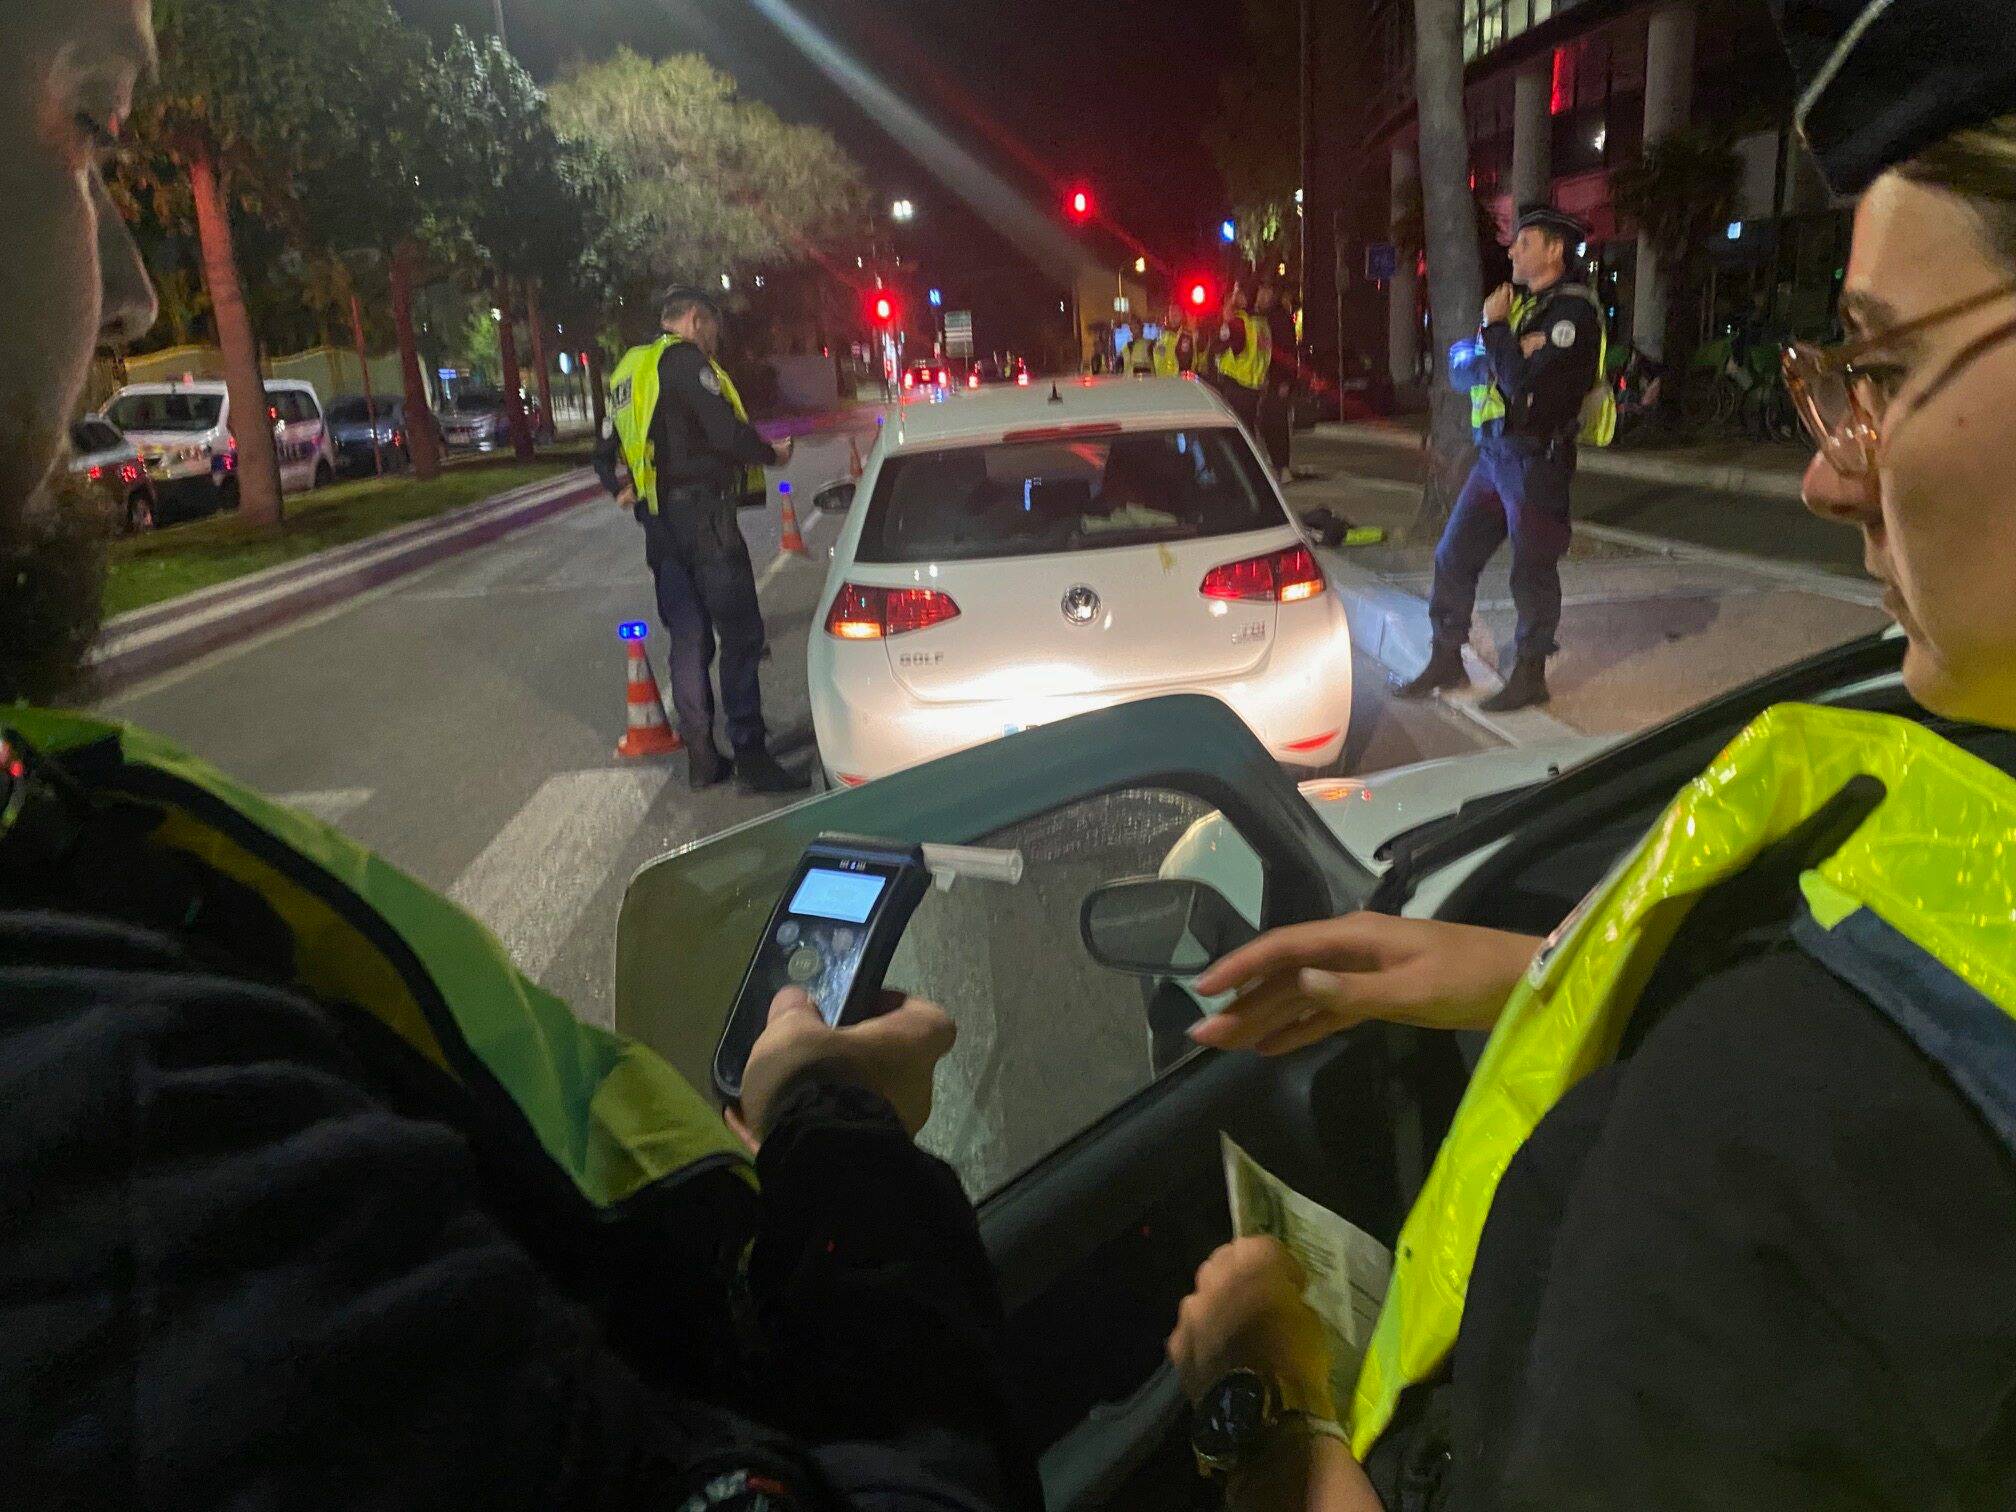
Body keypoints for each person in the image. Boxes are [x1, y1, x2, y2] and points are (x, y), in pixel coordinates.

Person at [0, 6, 1038, 1509]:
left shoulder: (63, 846)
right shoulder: (119, 1131)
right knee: (726, 655)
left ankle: (715, 735)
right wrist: (841, 1148)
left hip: (654, 532)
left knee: (693, 653)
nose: (132, 294)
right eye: (93, 124)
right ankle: (735, 753)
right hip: (697, 542)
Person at [1165, 5, 2016, 1504]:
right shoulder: (1947, 767)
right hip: (1500, 464)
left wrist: (1280, 1404)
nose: (1828, 471)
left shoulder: (1777, 1139)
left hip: (1537, 465)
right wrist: (1528, 974)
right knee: (1461, 583)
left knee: (1528, 584)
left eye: (1879, 363)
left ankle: (1530, 655)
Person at [596, 289, 806, 794]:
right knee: (741, 637)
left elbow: (603, 450)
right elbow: (726, 433)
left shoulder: (629, 373)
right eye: (712, 327)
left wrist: (619, 487)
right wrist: (772, 456)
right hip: (705, 522)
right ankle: (753, 758)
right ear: (694, 320)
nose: (715, 340)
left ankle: (703, 759)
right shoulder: (686, 363)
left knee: (688, 639)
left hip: (659, 528)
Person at [1395, 207, 1603, 713]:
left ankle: (1530, 673)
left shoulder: (1571, 317)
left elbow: (1521, 385)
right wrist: (1507, 342)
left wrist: (1497, 332)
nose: (1511, 251)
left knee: (1530, 571)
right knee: (1452, 555)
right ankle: (1447, 657)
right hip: (1496, 457)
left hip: (1537, 460)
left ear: (1554, 249)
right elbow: (1467, 365)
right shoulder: (1526, 310)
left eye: (1524, 242)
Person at [1210, 283, 1271, 437]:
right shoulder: (1262, 323)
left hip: (1236, 384)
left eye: (1239, 294)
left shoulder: (1239, 322)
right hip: (1254, 386)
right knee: (1249, 431)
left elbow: (1217, 347)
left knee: (1236, 433)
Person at [1256, 281, 1300, 482]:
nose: (1262, 297)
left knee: (1277, 423)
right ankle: (1276, 463)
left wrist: (1285, 381)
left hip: (1278, 379)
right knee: (1266, 422)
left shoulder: (1279, 318)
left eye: (1266, 293)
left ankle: (1282, 466)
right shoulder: (1262, 318)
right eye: (1260, 293)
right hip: (1264, 379)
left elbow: (1288, 352)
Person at [1154, 298, 1201, 376]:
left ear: (1182, 314)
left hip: (1178, 382)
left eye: (1177, 311)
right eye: (1171, 311)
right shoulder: (1162, 334)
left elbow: (1186, 361)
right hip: (1162, 381)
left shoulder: (1186, 335)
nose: (1173, 314)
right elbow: (1157, 357)